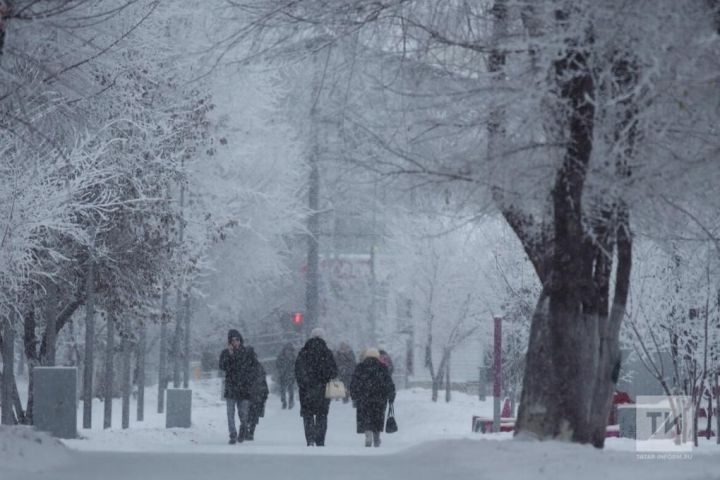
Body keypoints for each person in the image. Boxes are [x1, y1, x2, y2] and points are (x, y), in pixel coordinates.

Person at [294, 327, 338, 446]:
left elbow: (297, 370)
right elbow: (334, 371)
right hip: (322, 389)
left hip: (306, 390)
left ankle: (310, 439)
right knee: (322, 415)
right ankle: (320, 440)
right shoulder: (327, 352)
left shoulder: (304, 352)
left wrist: (303, 383)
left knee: (307, 415)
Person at [350, 347, 396, 447]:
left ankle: (368, 434)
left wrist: (354, 396)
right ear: (377, 356)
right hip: (379, 398)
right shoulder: (383, 367)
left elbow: (354, 383)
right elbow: (389, 383)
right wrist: (391, 396)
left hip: (364, 398)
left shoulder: (360, 367)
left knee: (366, 417)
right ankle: (376, 437)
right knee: (377, 418)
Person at [218, 329, 257, 444]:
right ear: (229, 341)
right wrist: (230, 355)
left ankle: (243, 428)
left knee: (243, 413)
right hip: (231, 387)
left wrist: (250, 382)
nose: (235, 342)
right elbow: (223, 367)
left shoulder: (246, 352)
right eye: (233, 340)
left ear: (240, 340)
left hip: (244, 388)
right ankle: (232, 434)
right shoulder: (225, 353)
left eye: (237, 339)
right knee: (230, 412)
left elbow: (251, 368)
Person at [245, 347, 269, 441]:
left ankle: (246, 429)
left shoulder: (243, 364)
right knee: (254, 414)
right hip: (257, 394)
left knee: (246, 413)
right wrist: (265, 392)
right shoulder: (258, 365)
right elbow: (263, 379)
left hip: (246, 393)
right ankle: (251, 431)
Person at [275, 342, 296, 409]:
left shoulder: (293, 357)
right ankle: (284, 402)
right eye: (288, 350)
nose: (289, 351)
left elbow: (296, 365)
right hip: (283, 376)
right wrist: (281, 371)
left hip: (290, 376)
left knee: (291, 390)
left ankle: (291, 402)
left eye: (290, 350)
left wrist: (293, 373)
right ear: (285, 349)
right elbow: (277, 365)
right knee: (283, 391)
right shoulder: (280, 357)